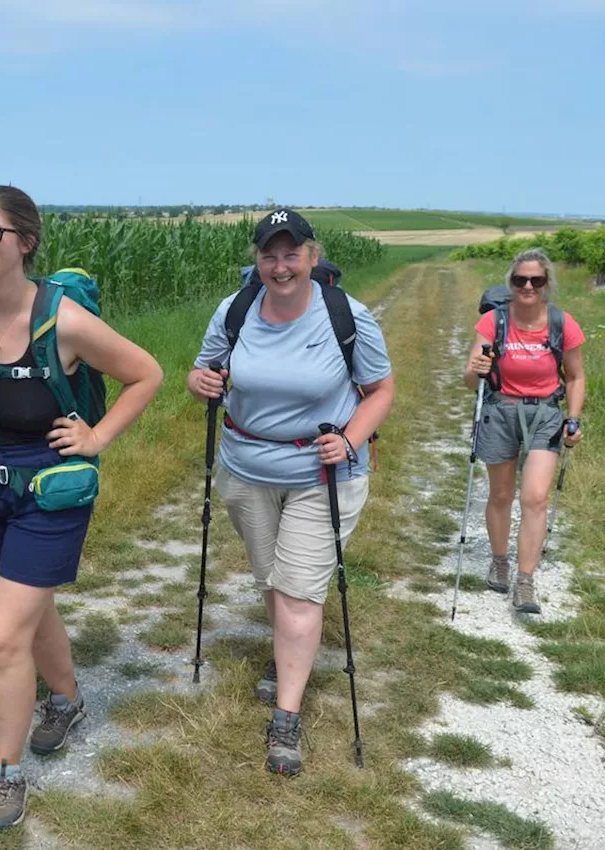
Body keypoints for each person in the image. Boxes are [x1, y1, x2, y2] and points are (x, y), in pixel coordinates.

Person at [0, 185, 163, 829]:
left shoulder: (63, 321)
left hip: (49, 488)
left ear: (24, 242)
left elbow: (147, 373)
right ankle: (68, 698)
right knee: (27, 607)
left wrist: (96, 437)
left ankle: (5, 773)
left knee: (2, 635)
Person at [187, 208, 394, 776]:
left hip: (321, 472)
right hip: (246, 467)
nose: (280, 265)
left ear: (312, 255)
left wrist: (350, 441)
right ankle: (288, 658)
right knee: (272, 581)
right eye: (269, 254)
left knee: (300, 591)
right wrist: (201, 380)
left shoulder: (345, 316)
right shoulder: (235, 311)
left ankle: (286, 718)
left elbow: (378, 389)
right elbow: (204, 369)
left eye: (291, 253)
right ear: (258, 259)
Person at [464, 248, 585, 614]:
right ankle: (500, 559)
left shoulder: (563, 324)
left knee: (535, 497)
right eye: (520, 280)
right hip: (501, 411)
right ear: (511, 283)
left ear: (547, 284)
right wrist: (478, 368)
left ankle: (525, 581)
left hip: (546, 414)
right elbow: (470, 380)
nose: (528, 286)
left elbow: (576, 377)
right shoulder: (492, 322)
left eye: (536, 280)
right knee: (501, 495)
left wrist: (573, 419)